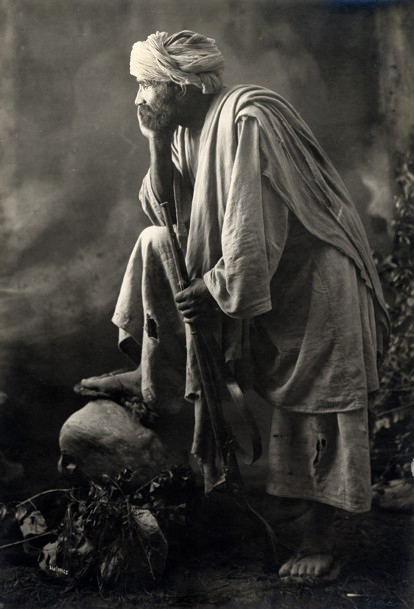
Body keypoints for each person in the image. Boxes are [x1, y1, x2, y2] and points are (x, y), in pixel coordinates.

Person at [77, 30, 389, 582]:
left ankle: (321, 540)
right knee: (155, 243)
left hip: (316, 281)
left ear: (181, 85)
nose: (138, 97)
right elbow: (165, 215)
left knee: (319, 404)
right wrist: (156, 141)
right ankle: (154, 368)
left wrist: (216, 288)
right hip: (266, 276)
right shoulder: (184, 129)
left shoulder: (248, 120)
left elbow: (254, 230)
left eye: (146, 84)